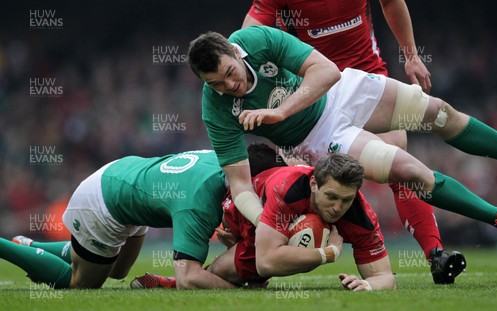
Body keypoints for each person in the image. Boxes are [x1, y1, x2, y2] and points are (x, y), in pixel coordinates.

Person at [188, 26, 497, 252]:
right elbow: (239, 182)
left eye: (228, 71)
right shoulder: (217, 108)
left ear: (234, 51)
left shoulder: (256, 41)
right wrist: (263, 223)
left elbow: (326, 73)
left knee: (438, 113)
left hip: (338, 93)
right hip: (319, 139)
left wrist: (280, 111)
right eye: (216, 82)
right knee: (411, 171)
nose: (230, 84)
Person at [241, 0, 463, 284]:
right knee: (301, 186)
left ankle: (436, 255)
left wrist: (411, 55)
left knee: (402, 168)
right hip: (314, 96)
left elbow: (391, 2)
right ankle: (256, 260)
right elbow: (246, 42)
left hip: (366, 79)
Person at [132, 153, 396, 291]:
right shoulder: (287, 188)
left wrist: (369, 285)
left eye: (347, 200)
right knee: (221, 278)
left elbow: (386, 277)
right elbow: (267, 262)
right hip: (243, 213)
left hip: (270, 225)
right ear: (314, 183)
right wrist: (329, 253)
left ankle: (174, 282)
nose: (338, 207)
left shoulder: (361, 216)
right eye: (331, 197)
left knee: (311, 230)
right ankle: (174, 283)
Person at [1, 150, 237, 289]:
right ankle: (6, 247)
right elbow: (189, 277)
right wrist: (235, 289)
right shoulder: (197, 202)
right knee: (82, 284)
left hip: (130, 181)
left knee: (118, 271)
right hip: (105, 200)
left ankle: (33, 246)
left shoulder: (226, 160)